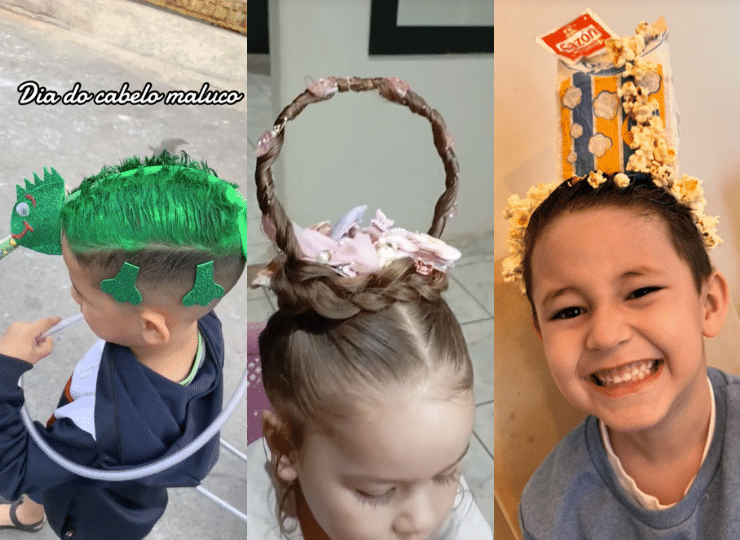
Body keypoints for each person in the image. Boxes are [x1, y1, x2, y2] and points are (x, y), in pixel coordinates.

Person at [247, 76, 492, 540]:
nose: (423, 520)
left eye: (448, 474)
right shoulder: (247, 521)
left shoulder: (459, 527)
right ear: (285, 448)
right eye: (378, 492)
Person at [0, 151, 247, 538]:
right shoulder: (195, 321)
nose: (72, 296)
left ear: (151, 328)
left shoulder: (98, 427)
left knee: (49, 463)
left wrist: (5, 370)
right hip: (73, 457)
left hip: (90, 514)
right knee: (51, 460)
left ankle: (42, 514)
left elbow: (10, 468)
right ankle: (31, 514)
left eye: (83, 294)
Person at [502, 170, 740, 538]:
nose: (606, 336)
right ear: (541, 336)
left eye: (640, 291)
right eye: (569, 311)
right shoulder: (548, 510)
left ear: (708, 304)